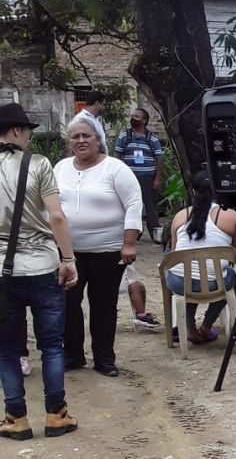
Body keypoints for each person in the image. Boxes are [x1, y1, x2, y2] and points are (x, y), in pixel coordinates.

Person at [0, 104, 78, 440]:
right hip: (44, 267)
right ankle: (56, 415)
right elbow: (57, 217)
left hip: (2, 274)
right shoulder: (39, 164)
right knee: (51, 346)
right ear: (17, 131)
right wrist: (69, 258)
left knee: (5, 349)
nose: (29, 137)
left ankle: (16, 419)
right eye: (28, 131)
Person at [55, 118, 142, 378]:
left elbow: (134, 204)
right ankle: (73, 355)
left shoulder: (115, 168)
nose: (80, 141)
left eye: (86, 136)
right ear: (69, 142)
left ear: (97, 139)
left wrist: (129, 242)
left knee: (103, 305)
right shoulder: (60, 168)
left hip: (108, 250)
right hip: (69, 253)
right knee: (68, 303)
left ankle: (104, 358)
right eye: (75, 137)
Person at [164, 171, 236, 345]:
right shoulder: (230, 216)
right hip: (215, 284)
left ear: (193, 191)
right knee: (230, 276)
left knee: (188, 275)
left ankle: (190, 328)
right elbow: (235, 256)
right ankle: (207, 326)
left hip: (179, 282)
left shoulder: (180, 216)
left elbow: (174, 251)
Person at [113, 107, 164, 243]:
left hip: (147, 177)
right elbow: (117, 154)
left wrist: (157, 178)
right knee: (131, 206)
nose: (133, 118)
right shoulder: (125, 136)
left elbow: (159, 158)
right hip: (129, 177)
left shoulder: (151, 138)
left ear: (144, 120)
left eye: (136, 116)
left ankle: (155, 233)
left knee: (150, 205)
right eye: (132, 116)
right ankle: (135, 232)